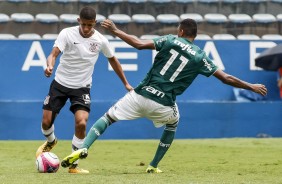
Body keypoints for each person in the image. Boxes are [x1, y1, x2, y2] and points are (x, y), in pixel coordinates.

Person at [60, 18, 268, 173]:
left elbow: (138, 44)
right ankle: (153, 165)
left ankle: (84, 147)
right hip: (164, 104)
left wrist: (116, 30)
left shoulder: (169, 40)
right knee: (173, 123)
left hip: (140, 95)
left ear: (180, 30)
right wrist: (251, 86)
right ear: (194, 35)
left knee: (107, 118)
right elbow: (226, 78)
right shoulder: (200, 57)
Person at [35, 7, 133, 174]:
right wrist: (49, 65)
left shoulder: (101, 40)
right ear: (78, 20)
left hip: (82, 87)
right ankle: (51, 141)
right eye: (84, 24)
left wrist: (126, 83)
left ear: (94, 23)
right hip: (60, 83)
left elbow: (114, 61)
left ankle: (74, 165)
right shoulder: (67, 33)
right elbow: (53, 54)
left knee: (81, 122)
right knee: (46, 122)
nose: (86, 28)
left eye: (90, 25)